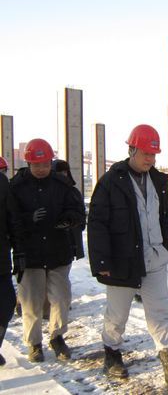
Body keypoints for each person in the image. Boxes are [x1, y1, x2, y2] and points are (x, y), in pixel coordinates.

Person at [88, 124, 168, 387]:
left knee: (161, 312)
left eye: (153, 154)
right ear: (132, 150)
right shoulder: (111, 182)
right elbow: (97, 223)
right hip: (121, 261)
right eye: (146, 153)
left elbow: (167, 216)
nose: (150, 159)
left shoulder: (158, 181)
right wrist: (102, 261)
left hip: (154, 258)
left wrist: (165, 246)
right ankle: (112, 354)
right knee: (117, 315)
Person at [9, 138, 86, 362]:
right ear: (28, 163)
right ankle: (34, 344)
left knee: (61, 298)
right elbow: (9, 218)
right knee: (31, 302)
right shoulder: (17, 187)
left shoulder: (62, 185)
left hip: (58, 251)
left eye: (45, 165)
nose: (41, 169)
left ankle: (57, 337)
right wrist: (28, 219)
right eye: (37, 165)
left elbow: (77, 210)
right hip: (30, 254)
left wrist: (69, 220)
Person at [0, 168, 21, 366]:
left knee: (6, 305)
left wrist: (19, 252)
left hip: (1, 259)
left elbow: (12, 219)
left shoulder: (1, 182)